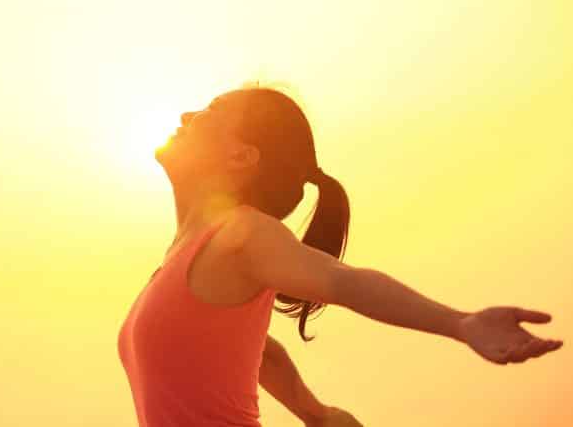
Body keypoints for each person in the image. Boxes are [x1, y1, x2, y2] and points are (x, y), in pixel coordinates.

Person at [117, 82, 562, 427]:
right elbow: (257, 353)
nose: (186, 114)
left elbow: (344, 281)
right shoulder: (186, 255)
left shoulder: (244, 232)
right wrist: (316, 414)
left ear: (241, 156)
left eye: (209, 112)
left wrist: (459, 323)